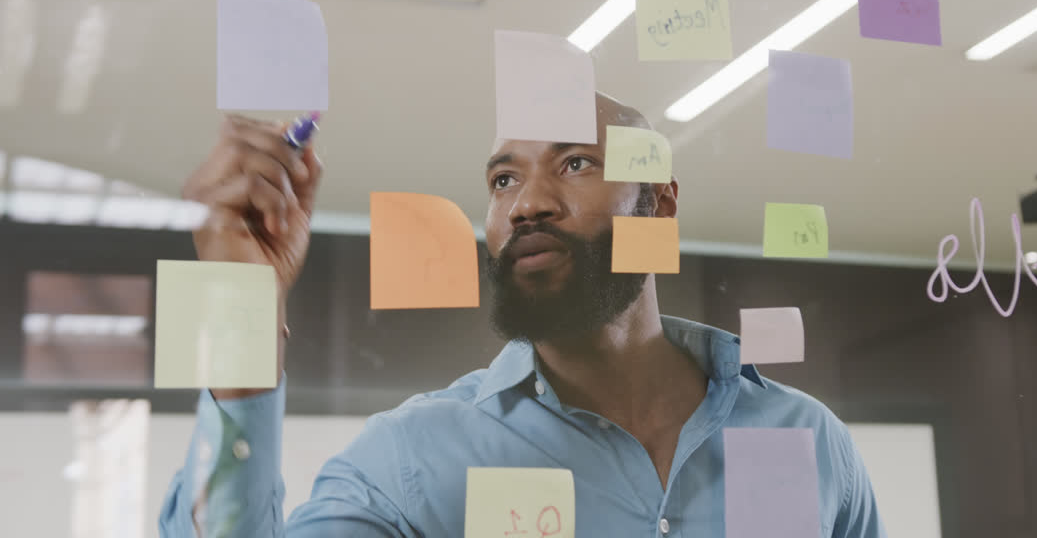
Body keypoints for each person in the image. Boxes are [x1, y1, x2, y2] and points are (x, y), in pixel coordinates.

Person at [158, 92, 886, 537]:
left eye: (574, 164)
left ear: (659, 204)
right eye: (504, 178)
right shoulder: (416, 459)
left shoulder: (807, 440)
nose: (528, 202)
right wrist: (240, 305)